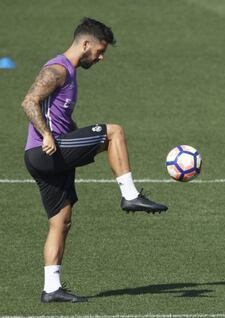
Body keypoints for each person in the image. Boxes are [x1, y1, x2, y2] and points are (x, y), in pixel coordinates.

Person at [22, 17, 168, 303]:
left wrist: (72, 133)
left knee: (60, 222)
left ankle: (51, 289)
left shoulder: (69, 73)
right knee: (114, 132)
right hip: (47, 151)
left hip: (46, 154)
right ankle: (130, 194)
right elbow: (29, 101)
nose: (101, 57)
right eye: (100, 51)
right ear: (85, 43)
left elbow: (60, 116)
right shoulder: (57, 69)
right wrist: (47, 135)